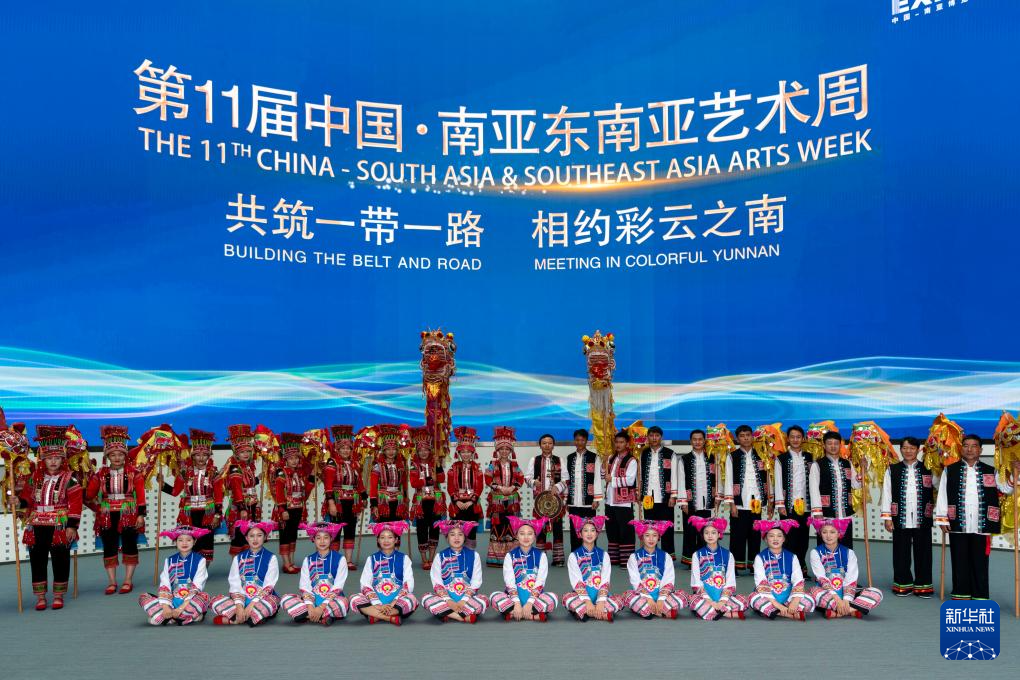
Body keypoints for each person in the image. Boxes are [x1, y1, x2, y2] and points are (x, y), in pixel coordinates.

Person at [936, 434, 1012, 600]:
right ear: (961, 448)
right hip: (957, 521)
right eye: (966, 446)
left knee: (980, 560)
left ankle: (980, 595)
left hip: (982, 523)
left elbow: (1006, 489)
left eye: (974, 446)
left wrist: (1014, 474)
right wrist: (942, 518)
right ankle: (961, 593)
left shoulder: (991, 470)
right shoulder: (950, 470)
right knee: (959, 559)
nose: (969, 449)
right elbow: (942, 494)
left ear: (980, 450)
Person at [20, 425, 84, 610]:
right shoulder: (34, 478)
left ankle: (58, 595)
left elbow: (76, 503)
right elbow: (27, 499)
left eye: (57, 458)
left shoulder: (70, 478)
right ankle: (40, 597)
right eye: (49, 458)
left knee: (60, 559)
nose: (53, 461)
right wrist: (18, 501)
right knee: (37, 559)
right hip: (37, 524)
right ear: (43, 459)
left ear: (62, 459)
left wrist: (72, 526)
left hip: (59, 526)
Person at [87, 425, 146, 595]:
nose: (117, 458)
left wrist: (141, 515)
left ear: (125, 455)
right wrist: (97, 507)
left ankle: (128, 580)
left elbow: (141, 496)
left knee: (130, 545)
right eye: (113, 455)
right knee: (109, 546)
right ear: (107, 456)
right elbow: (89, 495)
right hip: (107, 515)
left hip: (129, 513)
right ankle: (112, 582)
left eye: (120, 454)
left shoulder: (134, 473)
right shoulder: (100, 474)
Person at [880, 435, 935, 597]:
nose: (908, 451)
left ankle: (923, 585)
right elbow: (887, 494)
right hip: (900, 517)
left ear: (918, 450)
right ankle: (902, 584)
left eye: (912, 448)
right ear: (900, 450)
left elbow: (940, 486)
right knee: (900, 552)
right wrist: (887, 517)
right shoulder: (893, 469)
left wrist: (941, 464)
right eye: (905, 448)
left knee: (924, 552)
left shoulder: (929, 468)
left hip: (923, 517)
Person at [161, 428, 222, 566]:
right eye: (198, 455)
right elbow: (175, 492)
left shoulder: (214, 473)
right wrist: (163, 485)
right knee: (190, 539)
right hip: (188, 513)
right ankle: (191, 567)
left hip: (207, 513)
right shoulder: (185, 473)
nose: (201, 458)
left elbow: (219, 496)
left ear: (208, 456)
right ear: (193, 456)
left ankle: (203, 570)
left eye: (204, 455)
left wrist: (217, 515)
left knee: (206, 541)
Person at [808, 517, 884, 618]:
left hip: (847, 593)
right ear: (820, 534)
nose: (828, 536)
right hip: (827, 594)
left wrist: (846, 600)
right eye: (824, 532)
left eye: (832, 532)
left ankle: (838, 612)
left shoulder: (849, 553)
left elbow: (851, 579)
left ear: (839, 534)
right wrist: (837, 599)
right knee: (813, 591)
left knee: (876, 592)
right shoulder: (815, 552)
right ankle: (852, 609)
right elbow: (821, 578)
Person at [211, 520, 281, 625]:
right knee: (215, 601)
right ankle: (251, 617)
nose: (255, 539)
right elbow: (234, 583)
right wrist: (239, 605)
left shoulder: (271, 557)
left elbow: (269, 585)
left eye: (259, 535)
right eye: (251, 536)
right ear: (246, 538)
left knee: (270, 603)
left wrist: (252, 604)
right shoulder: (238, 558)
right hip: (242, 599)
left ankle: (235, 619)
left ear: (265, 537)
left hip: (262, 599)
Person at [138, 525, 211, 625]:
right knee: (143, 597)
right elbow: (165, 584)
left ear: (194, 542)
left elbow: (198, 585)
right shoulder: (169, 560)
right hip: (172, 601)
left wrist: (181, 608)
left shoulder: (200, 560)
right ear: (175, 542)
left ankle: (168, 618)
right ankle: (183, 617)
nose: (184, 543)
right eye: (180, 540)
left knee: (204, 596)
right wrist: (166, 607)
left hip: (190, 602)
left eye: (188, 540)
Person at [280, 521, 350, 626]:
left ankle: (308, 615)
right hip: (312, 600)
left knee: (343, 603)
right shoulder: (308, 560)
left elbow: (338, 586)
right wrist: (310, 605)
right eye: (318, 538)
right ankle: (322, 616)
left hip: (332, 600)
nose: (322, 541)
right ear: (313, 539)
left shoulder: (340, 559)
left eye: (326, 537)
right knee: (285, 599)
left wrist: (321, 607)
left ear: (331, 539)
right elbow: (305, 586)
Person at [490, 516, 558, 621]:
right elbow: (509, 582)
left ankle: (514, 613)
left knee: (553, 597)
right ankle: (532, 615)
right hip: (513, 599)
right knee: (494, 596)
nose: (526, 537)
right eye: (522, 534)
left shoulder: (541, 555)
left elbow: (540, 581)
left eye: (530, 534)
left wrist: (530, 602)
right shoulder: (510, 556)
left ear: (535, 536)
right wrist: (517, 602)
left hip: (535, 599)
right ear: (516, 536)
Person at [349, 521, 418, 625]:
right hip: (376, 601)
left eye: (390, 537)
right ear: (378, 540)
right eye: (382, 537)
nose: (386, 541)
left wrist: (394, 602)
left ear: (396, 540)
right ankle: (389, 617)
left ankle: (376, 615)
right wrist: (378, 604)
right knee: (354, 598)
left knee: (412, 599)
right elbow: (365, 584)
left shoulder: (404, 558)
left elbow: (408, 583)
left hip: (396, 601)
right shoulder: (371, 559)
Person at [723, 424, 770, 573]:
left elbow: (768, 478)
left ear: (752, 437)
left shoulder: (762, 455)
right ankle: (735, 566)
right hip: (739, 503)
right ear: (737, 439)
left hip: (757, 503)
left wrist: (769, 501)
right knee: (737, 535)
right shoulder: (732, 456)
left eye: (748, 435)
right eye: (742, 436)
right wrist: (731, 504)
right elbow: (728, 480)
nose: (746, 438)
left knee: (755, 535)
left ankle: (753, 565)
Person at [421, 519, 488, 623]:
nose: (456, 538)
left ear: (465, 537)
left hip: (467, 600)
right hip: (446, 600)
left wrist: (463, 600)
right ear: (447, 538)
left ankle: (447, 613)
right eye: (452, 534)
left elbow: (476, 581)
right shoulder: (440, 556)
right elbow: (437, 582)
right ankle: (462, 616)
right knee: (426, 598)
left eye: (460, 534)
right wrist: (449, 601)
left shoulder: (474, 555)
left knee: (484, 599)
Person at [748, 519, 815, 620]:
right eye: (771, 536)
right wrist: (777, 604)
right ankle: (787, 613)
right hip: (769, 596)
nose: (775, 539)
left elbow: (798, 579)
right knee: (753, 598)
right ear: (765, 539)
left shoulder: (792, 557)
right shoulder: (760, 557)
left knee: (810, 599)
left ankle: (773, 611)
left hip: (788, 595)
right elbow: (761, 582)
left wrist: (795, 601)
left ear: (784, 539)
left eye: (779, 536)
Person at [623, 519, 688, 619]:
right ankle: (663, 610)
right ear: (641, 537)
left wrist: (661, 599)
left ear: (659, 537)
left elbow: (668, 579)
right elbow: (635, 581)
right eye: (647, 535)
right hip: (642, 597)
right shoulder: (634, 557)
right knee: (627, 596)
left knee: (683, 595)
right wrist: (648, 598)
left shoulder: (666, 556)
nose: (651, 539)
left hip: (662, 596)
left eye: (654, 535)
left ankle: (649, 610)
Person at [688, 516, 747, 620]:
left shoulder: (728, 554)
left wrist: (722, 601)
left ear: (719, 534)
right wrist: (710, 601)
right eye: (706, 533)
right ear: (703, 535)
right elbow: (696, 582)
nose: (710, 535)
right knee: (693, 601)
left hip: (722, 595)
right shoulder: (697, 555)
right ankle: (726, 613)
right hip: (704, 596)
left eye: (713, 532)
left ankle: (711, 612)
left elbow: (730, 581)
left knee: (744, 600)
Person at [323, 424, 366, 567]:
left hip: (352, 502)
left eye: (348, 448)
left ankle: (348, 560)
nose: (346, 451)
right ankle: (334, 560)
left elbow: (359, 483)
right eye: (343, 448)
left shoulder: (354, 463)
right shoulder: (332, 463)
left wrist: (364, 497)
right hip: (338, 501)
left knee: (350, 529)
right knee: (335, 530)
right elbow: (328, 485)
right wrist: (331, 503)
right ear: (337, 449)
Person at [563, 514, 620, 621]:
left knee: (619, 600)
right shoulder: (573, 556)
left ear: (597, 533)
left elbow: (605, 580)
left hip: (601, 596)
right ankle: (602, 613)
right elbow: (577, 582)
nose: (589, 534)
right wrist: (587, 601)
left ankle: (587, 612)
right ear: (580, 534)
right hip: (581, 597)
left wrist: (601, 601)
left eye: (592, 530)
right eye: (585, 530)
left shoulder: (604, 555)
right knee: (567, 598)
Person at [809, 430, 860, 548]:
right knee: (826, 548)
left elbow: (856, 485)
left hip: (845, 515)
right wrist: (817, 513)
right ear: (824, 445)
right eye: (829, 443)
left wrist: (863, 471)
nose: (833, 446)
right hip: (826, 515)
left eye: (836, 443)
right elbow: (814, 490)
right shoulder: (817, 465)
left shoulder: (847, 463)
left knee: (846, 547)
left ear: (840, 445)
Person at [677, 429, 719, 567]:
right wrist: (683, 501)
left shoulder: (712, 457)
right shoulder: (684, 459)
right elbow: (681, 480)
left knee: (705, 531)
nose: (697, 442)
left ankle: (703, 558)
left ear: (704, 441)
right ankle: (689, 560)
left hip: (706, 501)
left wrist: (717, 496)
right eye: (694, 439)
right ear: (690, 441)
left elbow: (718, 478)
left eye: (700, 439)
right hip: (690, 502)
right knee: (690, 531)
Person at [273, 432, 314, 574]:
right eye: (291, 458)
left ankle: (291, 561)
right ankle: (286, 563)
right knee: (285, 535)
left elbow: (305, 492)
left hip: (298, 507)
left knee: (292, 534)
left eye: (296, 458)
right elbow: (279, 493)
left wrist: (311, 479)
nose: (294, 461)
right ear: (286, 459)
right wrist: (282, 509)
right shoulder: (281, 473)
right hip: (286, 508)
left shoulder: (299, 473)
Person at [485, 426, 524, 566]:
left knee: (511, 527)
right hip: (498, 501)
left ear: (510, 451)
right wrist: (500, 488)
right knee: (498, 526)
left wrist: (512, 488)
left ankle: (511, 556)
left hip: (512, 500)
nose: (504, 451)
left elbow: (520, 478)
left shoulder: (515, 465)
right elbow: (487, 478)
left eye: (507, 449)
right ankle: (496, 557)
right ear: (497, 450)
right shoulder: (492, 465)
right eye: (501, 449)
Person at [526, 433, 567, 566]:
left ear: (553, 445)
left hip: (556, 501)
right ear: (540, 445)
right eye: (544, 443)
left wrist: (557, 487)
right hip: (540, 502)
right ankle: (540, 558)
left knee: (558, 528)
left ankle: (558, 558)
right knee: (540, 528)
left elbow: (566, 479)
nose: (547, 445)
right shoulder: (534, 460)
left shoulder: (560, 460)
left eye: (549, 443)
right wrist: (534, 482)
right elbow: (527, 478)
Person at [774, 425, 812, 568]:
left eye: (798, 437)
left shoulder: (810, 457)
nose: (795, 440)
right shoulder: (781, 459)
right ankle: (788, 567)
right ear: (788, 439)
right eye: (792, 437)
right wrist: (780, 504)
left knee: (804, 538)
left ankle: (801, 566)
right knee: (789, 537)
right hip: (788, 505)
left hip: (806, 505)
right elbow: (778, 482)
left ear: (803, 439)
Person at [221, 424, 261, 557]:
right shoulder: (235, 468)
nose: (246, 454)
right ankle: (236, 566)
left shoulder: (248, 467)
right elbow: (237, 489)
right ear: (236, 453)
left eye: (248, 451)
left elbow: (247, 484)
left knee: (250, 535)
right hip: (240, 507)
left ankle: (247, 562)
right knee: (239, 536)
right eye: (242, 452)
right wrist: (242, 508)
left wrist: (258, 479)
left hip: (252, 505)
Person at [638, 425, 678, 559]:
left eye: (657, 435)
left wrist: (673, 495)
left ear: (661, 437)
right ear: (648, 437)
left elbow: (674, 476)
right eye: (651, 435)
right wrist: (639, 492)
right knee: (650, 528)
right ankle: (650, 554)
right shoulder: (643, 453)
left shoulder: (670, 454)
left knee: (666, 528)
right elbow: (640, 475)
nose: (654, 438)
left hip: (665, 497)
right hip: (648, 497)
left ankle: (668, 556)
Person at [409, 426, 446, 569]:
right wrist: (429, 480)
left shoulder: (435, 462)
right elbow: (414, 483)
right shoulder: (414, 465)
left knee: (434, 528)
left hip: (435, 500)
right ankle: (424, 559)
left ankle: (431, 557)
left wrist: (438, 466)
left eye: (426, 450)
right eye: (421, 450)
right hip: (421, 501)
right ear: (417, 451)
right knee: (422, 529)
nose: (423, 452)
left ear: (430, 450)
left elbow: (441, 479)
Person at [369, 424, 409, 546]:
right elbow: (373, 487)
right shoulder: (377, 466)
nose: (391, 452)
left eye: (393, 449)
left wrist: (406, 499)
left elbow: (404, 484)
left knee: (396, 529)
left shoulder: (401, 465)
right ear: (384, 450)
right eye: (388, 449)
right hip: (383, 502)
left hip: (398, 502)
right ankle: (383, 553)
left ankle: (396, 553)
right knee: (384, 529)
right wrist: (374, 505)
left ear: (397, 450)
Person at [564, 429, 603, 553]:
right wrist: (566, 500)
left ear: (586, 441)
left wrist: (596, 498)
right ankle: (575, 555)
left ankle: (591, 554)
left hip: (588, 501)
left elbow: (597, 478)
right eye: (577, 440)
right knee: (574, 529)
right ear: (574, 441)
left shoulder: (594, 457)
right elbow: (567, 480)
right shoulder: (570, 457)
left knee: (589, 529)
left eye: (582, 440)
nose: (579, 442)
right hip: (573, 501)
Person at [446, 426, 484, 551]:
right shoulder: (454, 467)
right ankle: (457, 553)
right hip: (457, 504)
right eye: (463, 452)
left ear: (473, 453)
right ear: (459, 453)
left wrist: (471, 501)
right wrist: (456, 501)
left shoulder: (477, 468)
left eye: (468, 452)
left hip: (472, 504)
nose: (466, 454)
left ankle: (470, 554)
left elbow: (479, 486)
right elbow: (450, 486)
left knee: (471, 531)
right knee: (457, 530)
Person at [604, 430, 638, 566]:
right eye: (617, 442)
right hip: (610, 500)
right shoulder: (611, 458)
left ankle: (626, 560)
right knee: (611, 528)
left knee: (626, 530)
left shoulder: (631, 460)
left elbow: (630, 480)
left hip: (624, 502)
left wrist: (612, 479)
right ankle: (614, 558)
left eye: (621, 442)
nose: (618, 444)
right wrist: (603, 466)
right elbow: (603, 475)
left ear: (627, 443)